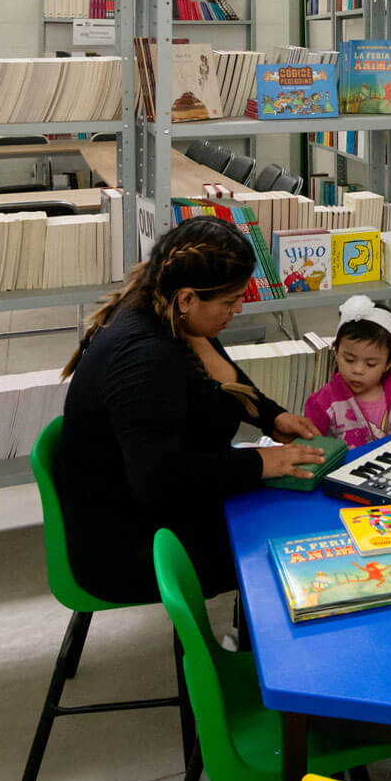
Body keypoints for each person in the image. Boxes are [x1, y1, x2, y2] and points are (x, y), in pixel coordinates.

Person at [56, 216, 324, 603]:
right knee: (290, 539)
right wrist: (260, 463)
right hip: (128, 544)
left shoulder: (170, 312)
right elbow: (158, 479)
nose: (238, 310)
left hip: (156, 509)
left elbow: (223, 378)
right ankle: (263, 653)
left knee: (289, 508)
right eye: (230, 301)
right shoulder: (146, 357)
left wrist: (271, 416)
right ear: (188, 298)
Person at [304, 295, 391, 449]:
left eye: (371, 364)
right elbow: (311, 447)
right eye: (349, 360)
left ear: (388, 363)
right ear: (336, 352)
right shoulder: (322, 402)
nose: (358, 370)